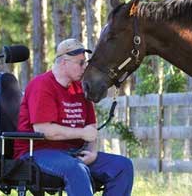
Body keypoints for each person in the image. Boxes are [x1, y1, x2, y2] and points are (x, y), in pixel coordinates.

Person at [13, 39, 134, 196]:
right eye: (81, 63)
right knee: (76, 169)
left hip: (73, 153)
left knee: (123, 166)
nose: (85, 67)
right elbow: (44, 130)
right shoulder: (41, 85)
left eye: (86, 63)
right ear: (64, 62)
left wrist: (92, 152)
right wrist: (82, 134)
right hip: (36, 152)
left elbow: (91, 127)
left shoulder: (80, 87)